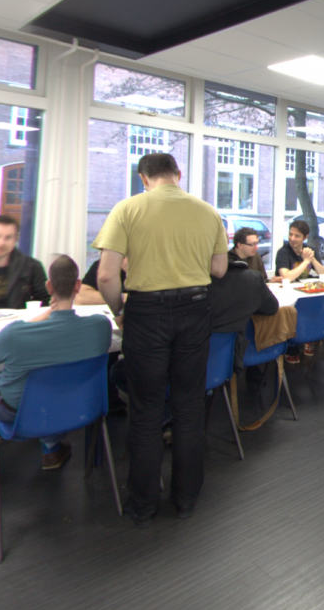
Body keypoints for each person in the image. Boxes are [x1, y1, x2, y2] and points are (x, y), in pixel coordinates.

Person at [94, 152, 228, 525]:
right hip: (195, 309)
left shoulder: (127, 209)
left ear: (144, 178)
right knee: (189, 406)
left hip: (147, 312)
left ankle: (143, 504)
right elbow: (219, 269)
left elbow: (106, 276)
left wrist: (118, 309)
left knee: (146, 409)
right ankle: (186, 499)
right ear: (178, 174)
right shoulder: (208, 212)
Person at [0, 255, 112, 492]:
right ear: (78, 286)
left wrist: (41, 318)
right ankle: (52, 448)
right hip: (77, 406)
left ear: (48, 287)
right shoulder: (100, 326)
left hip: (18, 411)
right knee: (53, 377)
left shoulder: (16, 333)